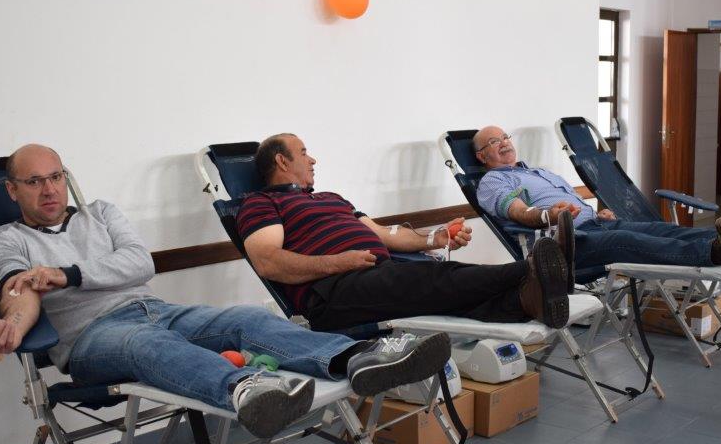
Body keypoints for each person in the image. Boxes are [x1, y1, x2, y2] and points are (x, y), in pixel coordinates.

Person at [0, 144, 452, 439]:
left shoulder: (100, 213)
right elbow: (19, 291)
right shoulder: (2, 241)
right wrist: (13, 326)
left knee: (246, 318)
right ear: (12, 191)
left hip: (154, 309)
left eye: (56, 177)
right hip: (91, 339)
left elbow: (140, 263)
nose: (49, 189)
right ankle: (249, 390)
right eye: (33, 182)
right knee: (147, 345)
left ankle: (359, 356)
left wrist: (67, 274)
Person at [236, 133, 576, 332]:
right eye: (304, 153)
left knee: (442, 294)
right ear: (282, 162)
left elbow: (384, 234)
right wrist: (338, 262)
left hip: (375, 275)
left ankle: (525, 302)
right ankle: (531, 269)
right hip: (332, 292)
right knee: (434, 278)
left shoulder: (331, 198)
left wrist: (434, 238)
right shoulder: (261, 203)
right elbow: (268, 262)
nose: (313, 160)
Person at [472, 126, 721, 279]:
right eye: (494, 142)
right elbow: (519, 212)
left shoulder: (538, 172)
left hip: (594, 225)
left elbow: (571, 202)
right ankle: (715, 252)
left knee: (659, 229)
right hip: (562, 244)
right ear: (481, 156)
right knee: (626, 240)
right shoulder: (493, 182)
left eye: (505, 137)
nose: (504, 143)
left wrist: (597, 212)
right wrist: (547, 216)